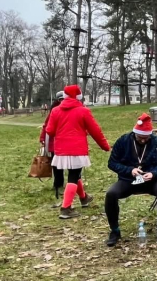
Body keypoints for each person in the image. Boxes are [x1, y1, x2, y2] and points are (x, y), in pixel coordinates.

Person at [45, 84, 111, 219]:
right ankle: (66, 208)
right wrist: (105, 146)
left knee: (75, 174)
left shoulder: (55, 110)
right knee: (73, 176)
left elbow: (50, 130)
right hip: (77, 149)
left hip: (61, 149)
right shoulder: (83, 111)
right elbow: (95, 131)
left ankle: (83, 198)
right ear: (78, 97)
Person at [104, 113, 157, 246]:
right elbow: (112, 163)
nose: (143, 140)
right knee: (111, 194)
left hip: (150, 180)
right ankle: (114, 230)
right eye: (140, 138)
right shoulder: (123, 141)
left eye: (146, 138)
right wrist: (130, 170)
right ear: (135, 134)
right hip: (128, 180)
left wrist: (153, 173)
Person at [40, 91, 66, 198]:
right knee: (56, 164)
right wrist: (42, 138)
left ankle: (70, 182)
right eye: (61, 99)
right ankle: (58, 183)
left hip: (65, 140)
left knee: (66, 163)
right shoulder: (54, 111)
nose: (62, 101)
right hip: (54, 141)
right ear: (58, 100)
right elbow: (46, 125)